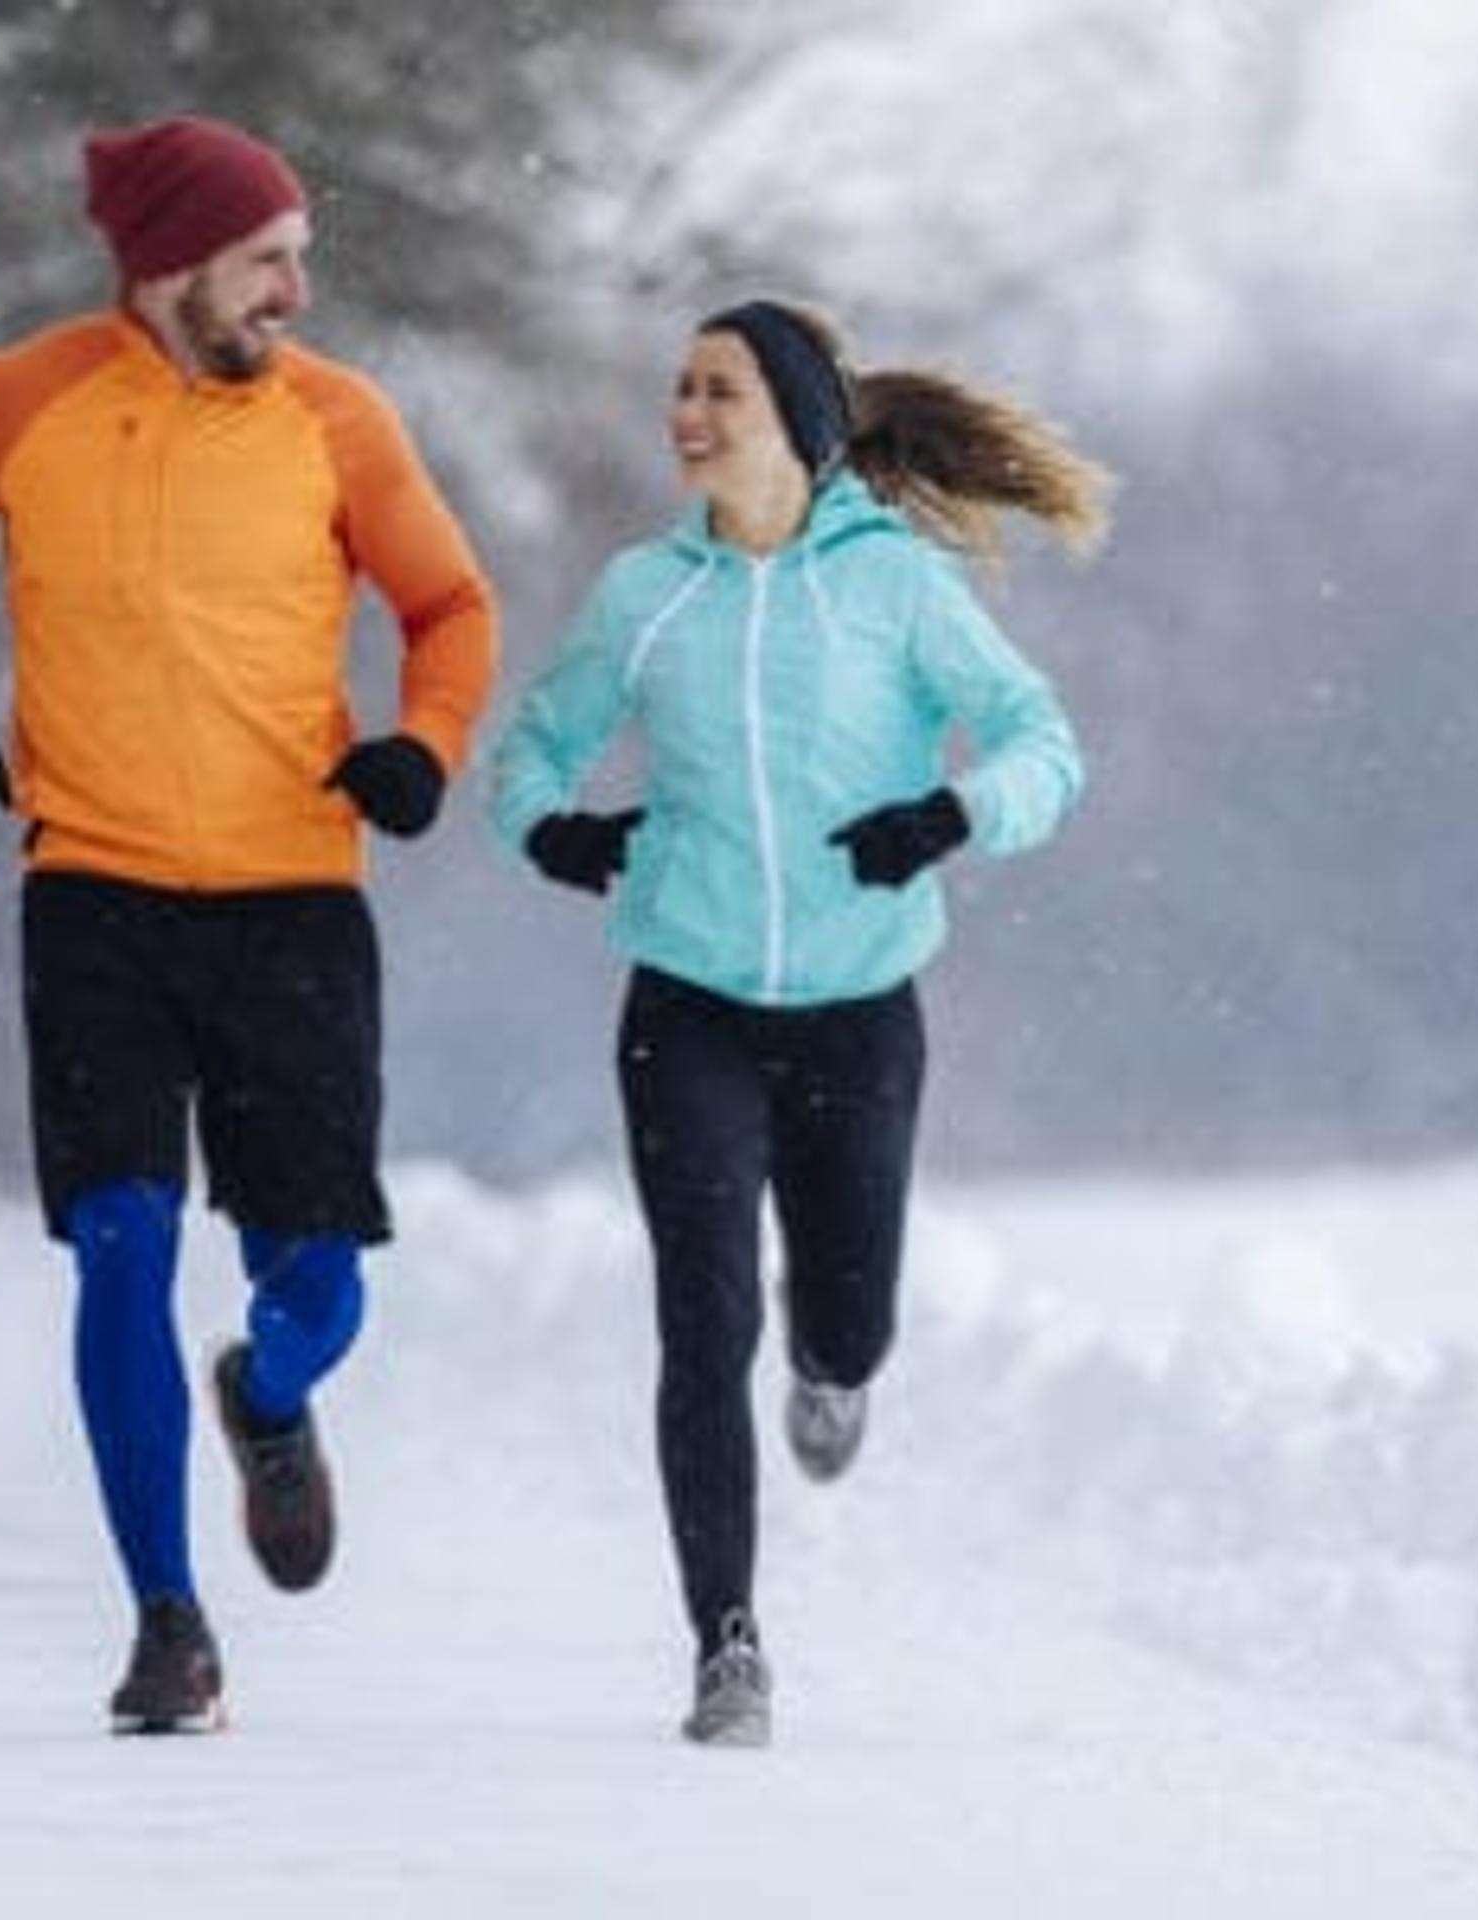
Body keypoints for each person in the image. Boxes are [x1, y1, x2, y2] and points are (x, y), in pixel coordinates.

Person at [0, 115, 500, 1735]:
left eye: (298, 258)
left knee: (318, 1286)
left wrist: (422, 746)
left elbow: (449, 608)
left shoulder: (340, 422)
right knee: (120, 1246)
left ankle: (266, 1394)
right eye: (267, 260)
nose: (296, 290)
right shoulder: (15, 404)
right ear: (171, 264)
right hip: (96, 895)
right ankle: (167, 1622)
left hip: (295, 902)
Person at [484, 298, 1107, 1747]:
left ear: (800, 423)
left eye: (722, 391)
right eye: (682, 388)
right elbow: (535, 750)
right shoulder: (647, 594)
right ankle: (727, 1643)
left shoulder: (897, 586)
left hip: (858, 1012)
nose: (687, 414)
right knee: (705, 1322)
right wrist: (552, 832)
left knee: (847, 1313)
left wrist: (951, 814)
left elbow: (1046, 744)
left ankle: (837, 1368)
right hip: (688, 1007)